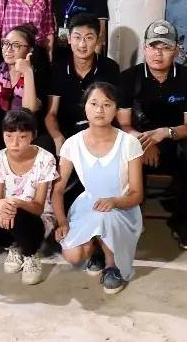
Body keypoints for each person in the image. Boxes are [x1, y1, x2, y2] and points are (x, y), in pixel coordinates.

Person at [116, 20, 187, 249]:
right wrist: (144, 143)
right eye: (153, 46)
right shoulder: (128, 77)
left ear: (175, 50)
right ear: (144, 48)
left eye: (165, 47)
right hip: (140, 144)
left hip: (174, 141)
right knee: (122, 147)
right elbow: (123, 124)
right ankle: (131, 215)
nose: (158, 53)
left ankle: (184, 222)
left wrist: (166, 133)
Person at [53, 82, 145, 294]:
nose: (99, 110)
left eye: (107, 104)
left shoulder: (129, 143)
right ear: (85, 107)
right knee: (73, 256)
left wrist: (114, 201)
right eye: (93, 103)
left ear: (116, 109)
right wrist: (62, 221)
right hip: (89, 205)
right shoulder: (72, 144)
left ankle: (112, 267)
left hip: (121, 207)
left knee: (105, 215)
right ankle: (97, 249)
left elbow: (136, 194)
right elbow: (57, 189)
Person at [0, 109, 58, 285]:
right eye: (9, 136)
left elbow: (39, 207)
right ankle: (15, 246)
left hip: (36, 218)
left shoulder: (45, 159)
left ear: (33, 135)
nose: (14, 143)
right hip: (8, 213)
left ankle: (31, 254)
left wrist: (14, 203)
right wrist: (0, 206)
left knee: (19, 216)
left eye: (22, 137)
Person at [45, 14, 122, 152]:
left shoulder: (110, 68)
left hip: (100, 132)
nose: (82, 44)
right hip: (66, 132)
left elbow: (114, 110)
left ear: (98, 40)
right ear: (69, 39)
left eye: (89, 38)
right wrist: (57, 137)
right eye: (77, 37)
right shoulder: (58, 68)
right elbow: (51, 114)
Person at [0, 24, 43, 149]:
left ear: (30, 50)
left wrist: (27, 73)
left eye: (16, 45)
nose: (8, 49)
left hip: (26, 141)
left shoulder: (38, 74)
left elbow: (29, 110)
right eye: (5, 43)